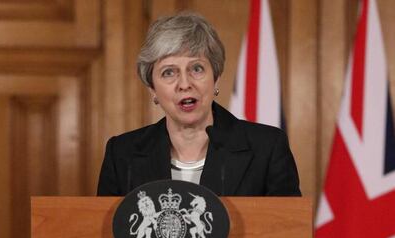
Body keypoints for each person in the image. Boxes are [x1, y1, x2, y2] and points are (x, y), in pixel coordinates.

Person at [97, 12, 301, 197]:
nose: (185, 84)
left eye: (196, 68)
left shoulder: (266, 148)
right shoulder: (122, 155)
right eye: (169, 72)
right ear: (152, 89)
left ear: (216, 78)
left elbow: (287, 233)